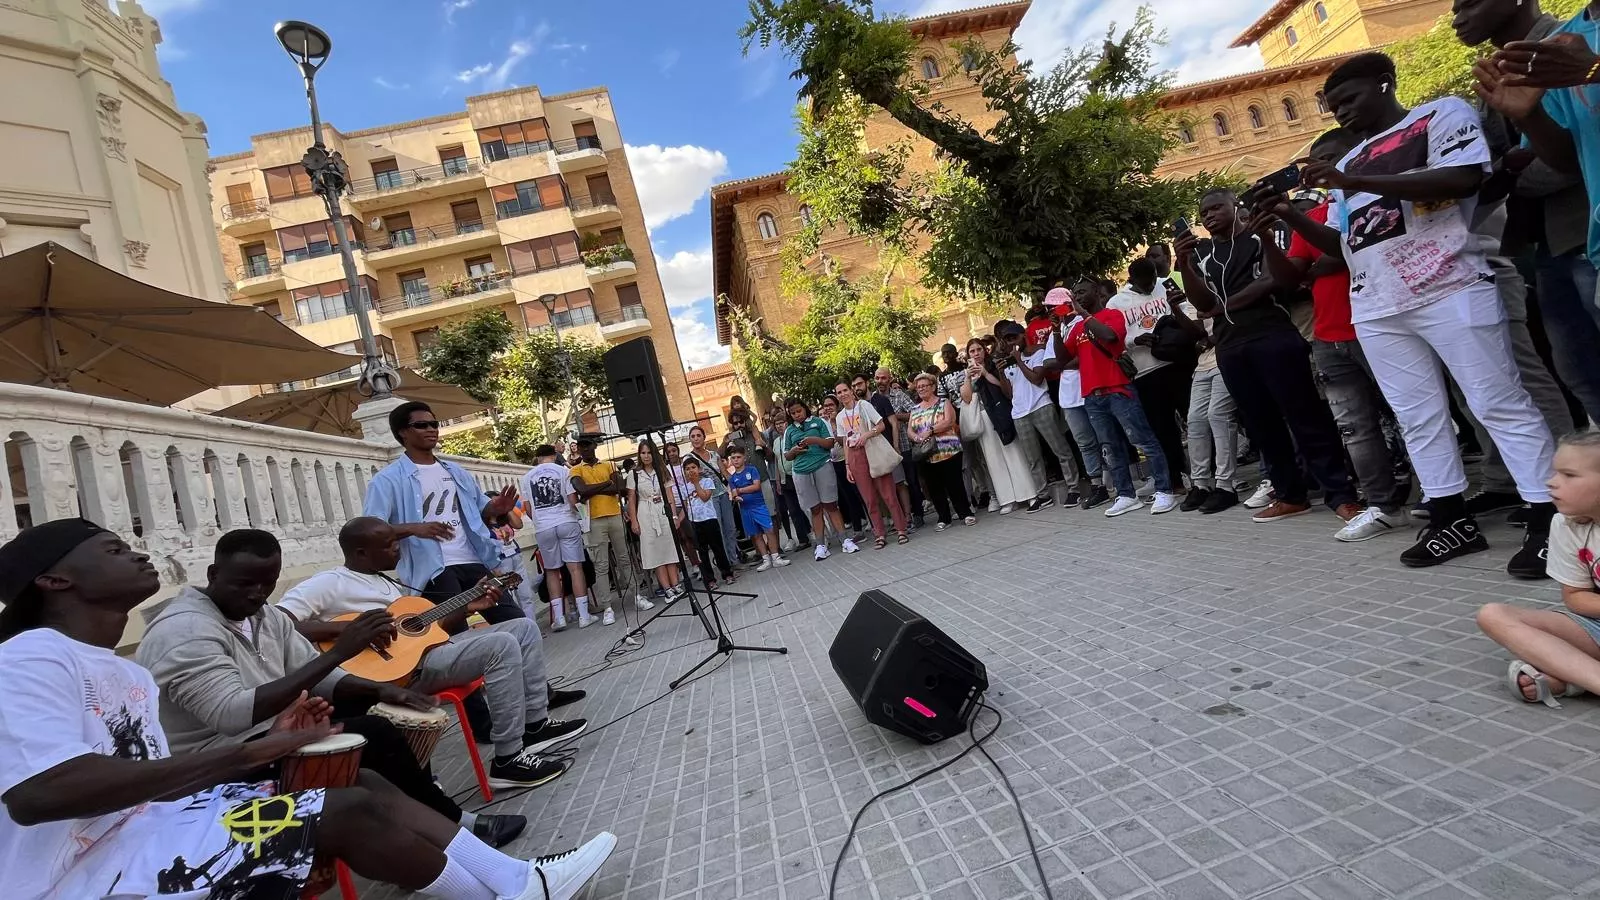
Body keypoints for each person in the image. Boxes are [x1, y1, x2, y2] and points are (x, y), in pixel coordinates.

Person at [0, 519, 616, 900]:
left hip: (147, 826)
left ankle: (516, 883)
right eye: (111, 550)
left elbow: (138, 792)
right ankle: (510, 884)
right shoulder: (32, 658)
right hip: (80, 875)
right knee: (348, 796)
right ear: (54, 581)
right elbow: (39, 794)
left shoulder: (116, 667)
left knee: (365, 773)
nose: (136, 554)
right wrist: (254, 751)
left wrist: (363, 692)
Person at [1296, 51, 1556, 574]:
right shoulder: (1347, 165)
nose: (1341, 111)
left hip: (1450, 284)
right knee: (1417, 419)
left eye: (1350, 98)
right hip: (1377, 303)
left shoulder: (1441, 114)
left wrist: (1352, 184)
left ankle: (1552, 521)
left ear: (1385, 83)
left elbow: (1461, 179)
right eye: (1333, 105)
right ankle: (1450, 519)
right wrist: (1285, 216)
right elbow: (1347, 242)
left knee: (1498, 401)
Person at [135, 529, 538, 845]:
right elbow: (231, 714)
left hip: (276, 733)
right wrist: (341, 649)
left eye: (266, 584)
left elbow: (315, 673)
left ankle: (429, 830)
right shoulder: (184, 631)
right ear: (213, 575)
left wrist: (384, 692)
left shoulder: (263, 615)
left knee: (386, 719)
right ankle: (454, 825)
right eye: (245, 584)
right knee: (376, 732)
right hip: (218, 763)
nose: (257, 594)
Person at [264, 518, 584, 790]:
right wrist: (346, 631)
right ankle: (509, 759)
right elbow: (280, 624)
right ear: (361, 552)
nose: (398, 548)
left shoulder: (388, 583)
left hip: (424, 656)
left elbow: (427, 629)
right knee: (500, 646)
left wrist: (471, 606)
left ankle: (536, 725)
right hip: (397, 676)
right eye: (389, 544)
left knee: (522, 628)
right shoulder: (328, 583)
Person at [1175, 189, 1362, 525]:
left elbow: (1277, 281)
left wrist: (1225, 305)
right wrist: (1186, 264)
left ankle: (1341, 494)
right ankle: (1290, 494)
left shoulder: (1263, 236)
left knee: (1305, 418)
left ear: (1236, 208)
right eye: (1203, 212)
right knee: (1262, 426)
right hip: (1231, 347)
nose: (1209, 215)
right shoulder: (1203, 253)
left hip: (1273, 336)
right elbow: (1203, 304)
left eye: (1217, 207)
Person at [1259, 128, 1411, 541]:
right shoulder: (1307, 218)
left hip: (1380, 322)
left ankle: (1442, 496)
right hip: (1329, 335)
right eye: (1311, 162)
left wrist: (1318, 263)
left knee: (1412, 414)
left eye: (1328, 157)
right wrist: (1267, 233)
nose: (1315, 169)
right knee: (1354, 427)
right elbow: (1290, 279)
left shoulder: (1379, 198)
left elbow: (1343, 250)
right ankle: (1383, 505)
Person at [365, 402, 523, 622]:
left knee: (518, 623)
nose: (431, 429)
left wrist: (497, 508)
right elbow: (370, 530)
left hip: (474, 559)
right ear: (403, 433)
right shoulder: (387, 480)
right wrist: (415, 528)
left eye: (434, 424)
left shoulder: (455, 471)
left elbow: (481, 508)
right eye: (421, 425)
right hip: (433, 570)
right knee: (454, 636)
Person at [1477, 432, 1600, 706]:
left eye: (1569, 475)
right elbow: (1575, 596)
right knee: (1493, 615)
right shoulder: (1566, 524)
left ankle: (1569, 677)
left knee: (1544, 656)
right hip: (1596, 625)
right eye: (1555, 472)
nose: (1552, 483)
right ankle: (1590, 679)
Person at [1059, 287, 1179, 516]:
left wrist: (1084, 314)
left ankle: (1165, 490)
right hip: (1093, 397)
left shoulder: (1111, 315)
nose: (1077, 297)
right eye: (1075, 294)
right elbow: (1063, 359)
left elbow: (1110, 336)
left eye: (1083, 291)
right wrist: (1058, 329)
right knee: (1110, 449)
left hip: (1118, 389)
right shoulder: (1078, 326)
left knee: (1143, 440)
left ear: (1097, 294)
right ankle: (1126, 494)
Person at [1107, 257, 1194, 493]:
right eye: (1144, 283)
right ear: (1131, 279)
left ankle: (1209, 472)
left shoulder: (1166, 284)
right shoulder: (1116, 303)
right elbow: (1115, 338)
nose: (1150, 286)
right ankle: (1176, 478)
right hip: (1146, 372)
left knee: (1195, 420)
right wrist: (1136, 340)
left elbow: (1189, 310)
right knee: (1164, 429)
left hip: (1178, 363)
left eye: (1152, 280)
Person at [995, 321, 1083, 512]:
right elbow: (1008, 394)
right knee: (1033, 458)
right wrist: (1001, 372)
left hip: (1041, 406)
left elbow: (1037, 378)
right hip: (1020, 413)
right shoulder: (1008, 361)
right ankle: (1043, 495)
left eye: (1014, 337)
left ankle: (1074, 488)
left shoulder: (1037, 353)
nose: (1011, 342)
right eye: (1007, 339)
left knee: (1060, 449)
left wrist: (1019, 360)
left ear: (1023, 335)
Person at [570, 437, 650, 623]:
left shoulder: (610, 465)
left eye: (588, 445)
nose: (585, 449)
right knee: (601, 565)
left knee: (625, 558)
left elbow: (620, 488)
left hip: (614, 515)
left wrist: (594, 489)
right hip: (594, 520)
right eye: (582, 446)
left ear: (594, 446)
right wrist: (606, 484)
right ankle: (607, 607)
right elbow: (582, 490)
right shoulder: (575, 469)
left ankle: (637, 595)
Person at [962, 337, 1041, 514]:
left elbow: (1003, 386)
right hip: (983, 418)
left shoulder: (995, 365)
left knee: (1013, 452)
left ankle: (1029, 494)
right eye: (972, 351)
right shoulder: (967, 372)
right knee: (993, 459)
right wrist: (968, 377)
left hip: (1000, 413)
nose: (976, 354)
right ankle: (1008, 498)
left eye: (978, 350)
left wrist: (985, 374)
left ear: (985, 351)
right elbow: (966, 398)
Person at [522, 444, 595, 629]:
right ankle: (584, 616)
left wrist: (540, 520)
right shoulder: (563, 472)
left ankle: (559, 618)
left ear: (538, 458)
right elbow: (572, 501)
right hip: (566, 522)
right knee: (575, 569)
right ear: (554, 455)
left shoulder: (527, 477)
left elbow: (529, 508)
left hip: (543, 527)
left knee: (552, 571)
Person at [834, 380, 911, 547]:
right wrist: (847, 466)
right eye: (839, 392)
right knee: (869, 499)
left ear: (851, 390)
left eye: (845, 390)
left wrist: (867, 435)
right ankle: (879, 534)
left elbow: (882, 425)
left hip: (872, 450)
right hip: (855, 457)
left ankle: (901, 529)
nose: (843, 394)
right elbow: (846, 441)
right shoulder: (840, 416)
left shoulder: (863, 406)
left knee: (889, 494)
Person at [784, 397, 859, 559]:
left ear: (805, 408)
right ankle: (820, 545)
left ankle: (844, 539)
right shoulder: (789, 430)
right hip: (802, 471)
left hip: (822, 465)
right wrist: (795, 450)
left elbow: (830, 443)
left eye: (799, 411)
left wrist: (813, 440)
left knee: (831, 504)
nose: (797, 415)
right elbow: (787, 455)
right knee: (815, 509)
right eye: (793, 413)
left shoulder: (818, 422)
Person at [909, 372, 976, 529]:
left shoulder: (943, 402)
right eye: (918, 387)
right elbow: (910, 430)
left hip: (948, 449)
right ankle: (944, 517)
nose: (921, 389)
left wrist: (930, 431)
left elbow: (949, 421)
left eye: (924, 386)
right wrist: (916, 438)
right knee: (934, 487)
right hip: (927, 454)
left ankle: (965, 513)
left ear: (933, 387)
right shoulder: (915, 408)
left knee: (955, 484)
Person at [627, 440, 687, 603]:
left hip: (662, 510)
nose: (646, 456)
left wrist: (675, 516)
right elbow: (631, 499)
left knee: (670, 547)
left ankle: (676, 584)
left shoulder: (662, 471)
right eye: (643, 453)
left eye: (649, 453)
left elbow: (670, 496)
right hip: (645, 512)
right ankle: (666, 588)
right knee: (655, 551)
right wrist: (634, 521)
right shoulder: (634, 474)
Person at [872, 369, 926, 529]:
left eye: (883, 378)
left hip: (904, 444)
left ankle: (918, 514)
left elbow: (916, 412)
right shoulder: (873, 400)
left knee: (912, 481)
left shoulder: (899, 395)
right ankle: (902, 517)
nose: (880, 381)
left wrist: (894, 416)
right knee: (895, 484)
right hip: (885, 448)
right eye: (877, 378)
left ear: (890, 379)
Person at [727, 447, 790, 572]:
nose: (736, 460)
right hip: (745, 509)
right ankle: (766, 559)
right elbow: (734, 494)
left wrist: (740, 490)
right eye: (733, 458)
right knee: (756, 535)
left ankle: (775, 556)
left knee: (769, 530)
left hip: (759, 505)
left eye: (738, 457)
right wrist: (736, 496)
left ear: (744, 458)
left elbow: (756, 486)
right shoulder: (732, 478)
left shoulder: (752, 470)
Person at [687, 425, 741, 568]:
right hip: (708, 498)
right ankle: (725, 564)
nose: (696, 439)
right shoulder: (689, 458)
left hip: (722, 493)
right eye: (693, 436)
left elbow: (725, 473)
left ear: (704, 437)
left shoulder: (714, 455)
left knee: (730, 528)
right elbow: (689, 480)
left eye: (699, 435)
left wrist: (735, 488)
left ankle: (734, 560)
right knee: (719, 532)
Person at [679, 457, 737, 588]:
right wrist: (678, 519)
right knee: (702, 552)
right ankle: (709, 579)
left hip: (709, 519)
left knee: (717, 547)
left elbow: (705, 497)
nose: (691, 471)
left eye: (693, 468)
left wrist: (696, 484)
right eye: (687, 469)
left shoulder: (707, 481)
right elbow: (686, 506)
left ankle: (727, 573)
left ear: (699, 469)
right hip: (695, 521)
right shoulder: (684, 488)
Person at [819, 394, 867, 538]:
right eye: (825, 406)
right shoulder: (823, 422)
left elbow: (842, 441)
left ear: (836, 405)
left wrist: (833, 423)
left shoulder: (841, 418)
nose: (828, 408)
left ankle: (871, 520)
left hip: (848, 459)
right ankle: (857, 528)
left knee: (859, 492)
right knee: (847, 496)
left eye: (830, 405)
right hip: (835, 462)